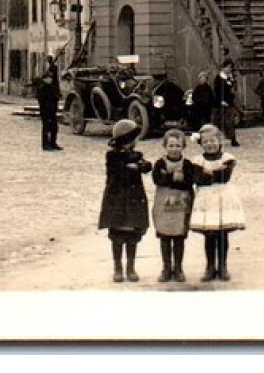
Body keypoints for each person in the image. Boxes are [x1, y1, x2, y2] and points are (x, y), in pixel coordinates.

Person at [188, 124, 245, 281]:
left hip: (223, 199)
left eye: (213, 141)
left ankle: (223, 266)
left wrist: (209, 174)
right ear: (201, 144)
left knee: (222, 233)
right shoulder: (198, 161)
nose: (209, 144)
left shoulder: (227, 158)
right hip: (206, 200)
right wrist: (213, 174)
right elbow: (198, 179)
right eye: (205, 142)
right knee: (209, 234)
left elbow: (224, 177)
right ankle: (210, 266)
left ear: (220, 141)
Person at [97, 118, 151, 283]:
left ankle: (131, 267)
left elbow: (147, 166)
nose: (135, 142)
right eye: (132, 139)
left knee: (132, 236)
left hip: (133, 201)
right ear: (125, 140)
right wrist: (132, 168)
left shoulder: (136, 155)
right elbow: (118, 173)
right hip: (118, 201)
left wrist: (140, 166)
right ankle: (118, 267)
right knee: (117, 236)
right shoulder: (112, 156)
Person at [150, 128, 197, 283]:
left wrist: (170, 179)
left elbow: (189, 182)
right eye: (171, 145)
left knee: (178, 238)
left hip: (181, 206)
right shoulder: (159, 163)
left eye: (177, 146)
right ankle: (166, 268)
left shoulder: (188, 164)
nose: (174, 149)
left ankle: (178, 268)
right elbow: (157, 179)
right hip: (163, 206)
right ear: (165, 146)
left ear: (183, 147)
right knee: (164, 237)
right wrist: (174, 177)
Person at [35, 62, 63, 151]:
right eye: (48, 78)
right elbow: (42, 100)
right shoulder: (42, 88)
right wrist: (45, 110)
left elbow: (56, 96)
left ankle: (53, 143)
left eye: (51, 78)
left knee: (54, 127)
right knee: (46, 128)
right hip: (45, 111)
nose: (50, 79)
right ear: (44, 79)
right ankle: (45, 144)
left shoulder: (52, 87)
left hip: (53, 110)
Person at [213, 62, 241, 147]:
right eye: (228, 67)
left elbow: (233, 89)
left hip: (229, 102)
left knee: (231, 120)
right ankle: (217, 140)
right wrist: (220, 100)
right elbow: (217, 90)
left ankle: (233, 139)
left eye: (230, 68)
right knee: (219, 122)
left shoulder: (230, 77)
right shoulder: (218, 78)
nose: (229, 69)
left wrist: (232, 81)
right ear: (223, 68)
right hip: (221, 102)